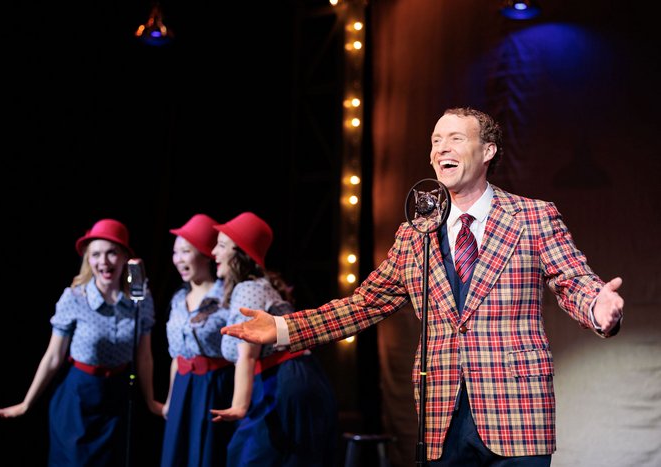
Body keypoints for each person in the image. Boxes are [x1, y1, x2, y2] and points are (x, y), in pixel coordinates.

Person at [221, 108, 625, 466]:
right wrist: (283, 329)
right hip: (441, 412)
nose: (440, 148)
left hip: (516, 410)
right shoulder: (415, 234)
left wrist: (597, 307)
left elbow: (572, 281)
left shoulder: (532, 217)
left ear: (488, 152)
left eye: (455, 138)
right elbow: (364, 304)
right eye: (435, 140)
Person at [0, 219, 163, 466]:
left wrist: (151, 401)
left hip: (118, 398)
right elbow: (53, 357)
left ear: (125, 257)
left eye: (111, 253)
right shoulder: (74, 298)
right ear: (88, 260)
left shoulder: (140, 300)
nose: (104, 261)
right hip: (78, 399)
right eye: (96, 254)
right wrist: (27, 404)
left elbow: (144, 356)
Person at [208, 212, 338, 467]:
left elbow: (247, 352)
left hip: (284, 381)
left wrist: (238, 407)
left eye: (222, 245)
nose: (213, 251)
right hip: (286, 377)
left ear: (239, 255)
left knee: (252, 456)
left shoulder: (248, 289)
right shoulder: (253, 286)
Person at [160, 214, 236, 467]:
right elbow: (177, 357)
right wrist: (171, 399)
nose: (178, 259)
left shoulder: (227, 298)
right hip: (183, 386)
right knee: (177, 454)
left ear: (206, 254)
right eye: (175, 252)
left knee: (206, 455)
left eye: (185, 251)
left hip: (216, 387)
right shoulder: (178, 299)